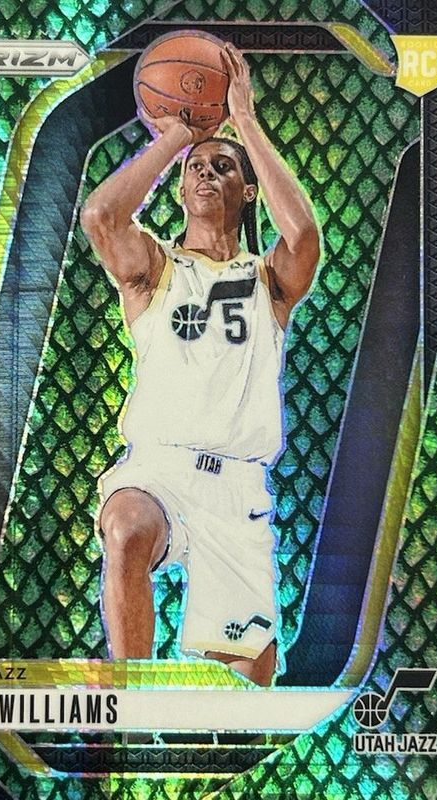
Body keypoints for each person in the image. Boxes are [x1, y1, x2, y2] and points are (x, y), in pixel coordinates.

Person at [81, 43, 320, 686]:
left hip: (236, 490)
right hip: (158, 467)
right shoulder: (154, 269)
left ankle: (215, 708)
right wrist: (177, 138)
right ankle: (131, 701)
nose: (207, 173)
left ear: (248, 190)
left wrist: (244, 121)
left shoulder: (268, 279)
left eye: (223, 167)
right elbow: (101, 215)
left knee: (247, 691)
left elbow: (303, 236)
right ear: (181, 190)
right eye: (196, 170)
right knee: (127, 527)